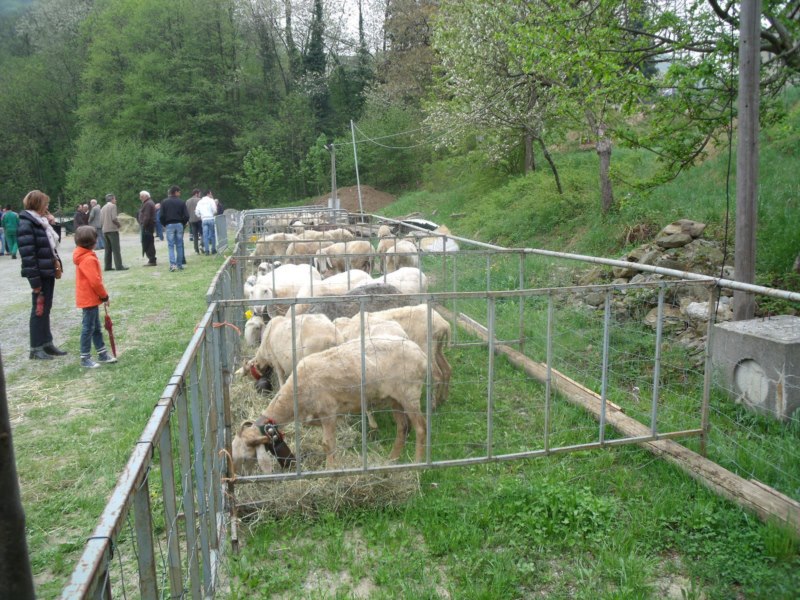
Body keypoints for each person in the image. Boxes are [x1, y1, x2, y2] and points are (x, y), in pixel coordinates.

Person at [17, 190, 68, 360]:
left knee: (46, 308)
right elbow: (28, 255)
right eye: (45, 203)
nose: (47, 207)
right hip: (39, 273)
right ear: (37, 204)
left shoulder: (41, 222)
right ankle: (36, 347)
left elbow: (54, 244)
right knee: (38, 310)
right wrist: (35, 281)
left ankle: (47, 343)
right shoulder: (27, 223)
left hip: (48, 270)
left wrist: (53, 224)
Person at [72, 226, 118, 368]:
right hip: (89, 299)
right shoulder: (88, 259)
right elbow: (95, 281)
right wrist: (104, 296)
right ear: (93, 241)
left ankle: (102, 353)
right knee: (88, 328)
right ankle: (85, 357)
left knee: (96, 327)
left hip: (90, 298)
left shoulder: (85, 255)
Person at [159, 185, 188, 271]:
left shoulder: (164, 202)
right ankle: (179, 264)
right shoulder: (181, 202)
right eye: (179, 192)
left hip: (169, 224)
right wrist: (182, 223)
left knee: (171, 245)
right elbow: (186, 215)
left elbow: (161, 216)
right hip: (179, 224)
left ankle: (172, 265)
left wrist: (164, 224)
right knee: (179, 245)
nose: (180, 193)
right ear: (175, 192)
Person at [100, 193, 128, 272]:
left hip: (105, 230)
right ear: (112, 199)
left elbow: (101, 220)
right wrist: (119, 225)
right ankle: (119, 266)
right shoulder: (113, 206)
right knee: (116, 249)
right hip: (112, 230)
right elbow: (114, 218)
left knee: (107, 249)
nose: (115, 200)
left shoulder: (103, 208)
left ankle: (107, 266)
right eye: (114, 199)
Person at [137, 190, 157, 266]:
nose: (140, 198)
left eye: (141, 196)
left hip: (147, 226)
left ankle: (152, 260)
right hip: (149, 226)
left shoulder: (148, 204)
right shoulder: (148, 203)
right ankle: (151, 259)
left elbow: (147, 216)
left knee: (148, 243)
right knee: (149, 242)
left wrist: (143, 225)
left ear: (145, 196)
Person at [195, 190, 217, 255]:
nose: (211, 195)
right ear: (208, 194)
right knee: (212, 235)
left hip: (204, 220)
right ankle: (213, 249)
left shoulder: (200, 201)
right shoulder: (211, 200)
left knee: (205, 236)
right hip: (210, 218)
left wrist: (200, 216)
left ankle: (207, 251)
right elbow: (215, 210)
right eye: (211, 193)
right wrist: (212, 214)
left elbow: (196, 211)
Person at [185, 188, 202, 255]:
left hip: (191, 220)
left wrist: (187, 220)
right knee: (202, 233)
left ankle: (196, 250)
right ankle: (202, 245)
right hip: (199, 219)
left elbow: (186, 211)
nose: (200, 195)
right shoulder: (200, 200)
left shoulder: (187, 201)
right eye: (199, 193)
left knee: (195, 236)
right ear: (196, 193)